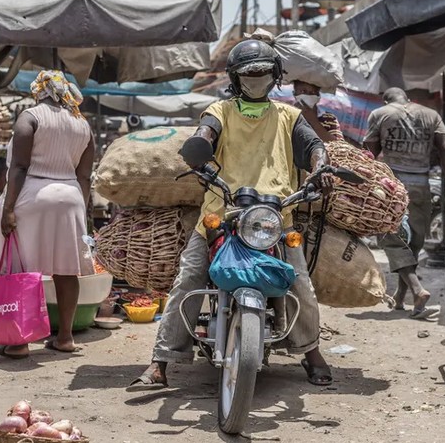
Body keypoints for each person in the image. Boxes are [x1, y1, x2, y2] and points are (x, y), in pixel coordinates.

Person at [134, 39, 334, 388]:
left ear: (274, 77)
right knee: (189, 278)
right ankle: (161, 361)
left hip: (277, 214)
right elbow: (205, 134)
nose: (255, 79)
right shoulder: (220, 110)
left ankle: (310, 350)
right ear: (235, 78)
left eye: (262, 73)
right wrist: (199, 149)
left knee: (300, 283)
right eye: (248, 74)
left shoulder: (289, 116)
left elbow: (313, 146)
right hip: (221, 212)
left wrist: (321, 168)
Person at [0, 70, 95, 359]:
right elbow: (85, 175)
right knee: (66, 269)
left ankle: (19, 342)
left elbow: (19, 168)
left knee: (20, 269)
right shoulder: (82, 124)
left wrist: (9, 209)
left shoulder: (30, 117)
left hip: (32, 196)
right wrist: (81, 214)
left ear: (39, 91)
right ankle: (65, 337)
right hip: (70, 197)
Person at [364, 88, 445, 318]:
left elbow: (369, 153)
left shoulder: (380, 114)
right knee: (413, 243)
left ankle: (417, 290)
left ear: (386, 100)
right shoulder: (431, 115)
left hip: (391, 187)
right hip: (421, 186)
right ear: (407, 98)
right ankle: (399, 297)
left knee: (390, 239)